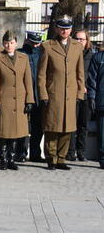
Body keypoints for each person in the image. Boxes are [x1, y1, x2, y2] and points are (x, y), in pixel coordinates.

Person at [38, 16, 85, 170]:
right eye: (62, 28)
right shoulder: (47, 46)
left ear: (71, 29)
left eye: (67, 28)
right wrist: (43, 94)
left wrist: (79, 94)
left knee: (68, 127)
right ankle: (51, 158)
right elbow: (41, 74)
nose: (65, 31)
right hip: (54, 93)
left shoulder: (77, 47)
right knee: (52, 126)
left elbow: (80, 73)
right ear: (57, 29)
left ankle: (61, 158)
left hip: (71, 94)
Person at [0, 30, 34, 171]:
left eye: (12, 43)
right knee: (4, 132)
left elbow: (28, 80)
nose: (9, 45)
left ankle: (12, 158)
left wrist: (29, 100)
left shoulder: (23, 58)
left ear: (16, 43)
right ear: (3, 43)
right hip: (5, 99)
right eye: (7, 43)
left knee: (15, 132)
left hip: (19, 100)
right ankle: (3, 158)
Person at [68, 29, 93, 161]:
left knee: (83, 124)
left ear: (87, 41)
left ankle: (81, 152)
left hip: (86, 95)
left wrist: (86, 87)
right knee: (72, 124)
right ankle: (70, 152)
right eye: (76, 39)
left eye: (81, 39)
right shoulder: (70, 54)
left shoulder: (92, 55)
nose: (79, 41)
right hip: (72, 93)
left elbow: (93, 75)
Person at [21, 31, 44, 161]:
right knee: (23, 126)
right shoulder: (21, 53)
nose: (35, 46)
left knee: (38, 127)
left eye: (37, 43)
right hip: (23, 95)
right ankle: (21, 152)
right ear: (27, 40)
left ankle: (35, 153)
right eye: (33, 43)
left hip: (38, 95)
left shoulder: (42, 54)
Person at [85, 42, 104, 169]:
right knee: (102, 133)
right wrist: (91, 96)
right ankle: (102, 158)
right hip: (102, 100)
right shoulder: (98, 57)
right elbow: (92, 79)